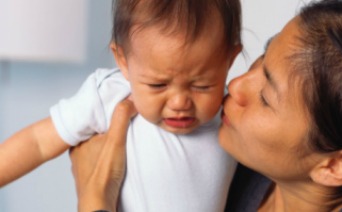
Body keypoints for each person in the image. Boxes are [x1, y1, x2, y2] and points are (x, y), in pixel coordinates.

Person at [71, 0, 342, 211]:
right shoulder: (242, 169)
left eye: (266, 98)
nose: (235, 84)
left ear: (335, 165)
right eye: (260, 60)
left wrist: (94, 195)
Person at [0, 0, 242, 211]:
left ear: (229, 61)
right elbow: (38, 142)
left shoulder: (234, 112)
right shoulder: (111, 94)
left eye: (202, 85)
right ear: (123, 61)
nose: (179, 102)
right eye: (158, 85)